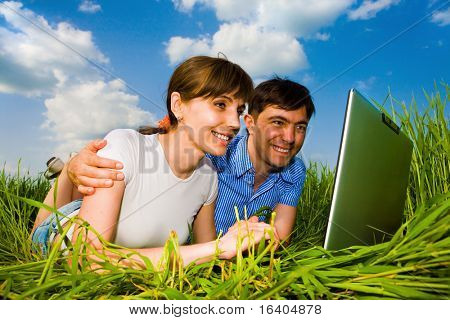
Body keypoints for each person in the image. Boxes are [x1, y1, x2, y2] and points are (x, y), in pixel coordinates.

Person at [31, 56, 277, 269]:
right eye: (220, 104)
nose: (235, 123)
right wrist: (217, 248)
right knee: (78, 188)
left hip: (123, 246)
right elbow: (87, 261)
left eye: (238, 110)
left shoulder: (208, 176)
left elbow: (206, 254)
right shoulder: (125, 144)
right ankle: (67, 170)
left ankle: (68, 169)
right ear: (178, 105)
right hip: (58, 232)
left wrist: (237, 240)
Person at [64, 77, 315, 243]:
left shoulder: (294, 171)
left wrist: (246, 252)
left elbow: (280, 237)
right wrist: (76, 164)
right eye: (278, 123)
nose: (290, 137)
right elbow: (167, 140)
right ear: (250, 123)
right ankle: (60, 170)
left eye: (300, 127)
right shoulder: (217, 149)